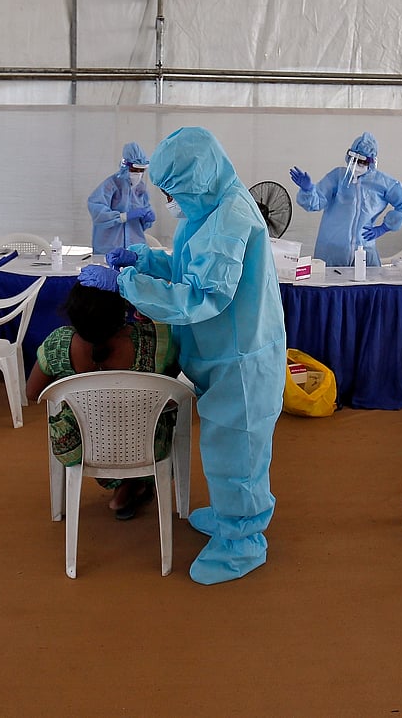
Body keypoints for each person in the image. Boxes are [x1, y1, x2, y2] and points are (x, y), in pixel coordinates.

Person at [77, 127, 286, 585]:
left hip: (243, 360)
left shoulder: (230, 215)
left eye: (171, 191)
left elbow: (203, 295)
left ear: (194, 179)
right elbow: (189, 264)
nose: (168, 201)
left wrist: (126, 286)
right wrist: (144, 261)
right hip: (221, 355)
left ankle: (243, 541)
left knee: (240, 452)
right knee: (223, 448)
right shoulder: (207, 204)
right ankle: (233, 518)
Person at [26, 283, 180, 520]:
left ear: (73, 313)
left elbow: (32, 392)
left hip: (80, 446)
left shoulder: (58, 344)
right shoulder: (156, 338)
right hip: (147, 445)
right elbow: (175, 382)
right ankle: (131, 485)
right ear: (123, 310)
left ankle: (124, 487)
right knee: (165, 411)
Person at [289, 131, 402, 266]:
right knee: (330, 284)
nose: (355, 165)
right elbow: (316, 202)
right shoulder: (338, 177)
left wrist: (383, 228)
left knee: (366, 285)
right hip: (331, 248)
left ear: (371, 162)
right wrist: (308, 189)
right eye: (353, 159)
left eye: (361, 162)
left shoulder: (383, 183)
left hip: (364, 249)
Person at [87, 142, 156, 254]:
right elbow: (96, 209)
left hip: (135, 249)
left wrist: (147, 219)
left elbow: (143, 218)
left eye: (141, 171)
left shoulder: (140, 189)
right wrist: (122, 216)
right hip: (109, 248)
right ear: (125, 166)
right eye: (134, 170)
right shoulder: (111, 185)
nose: (138, 174)